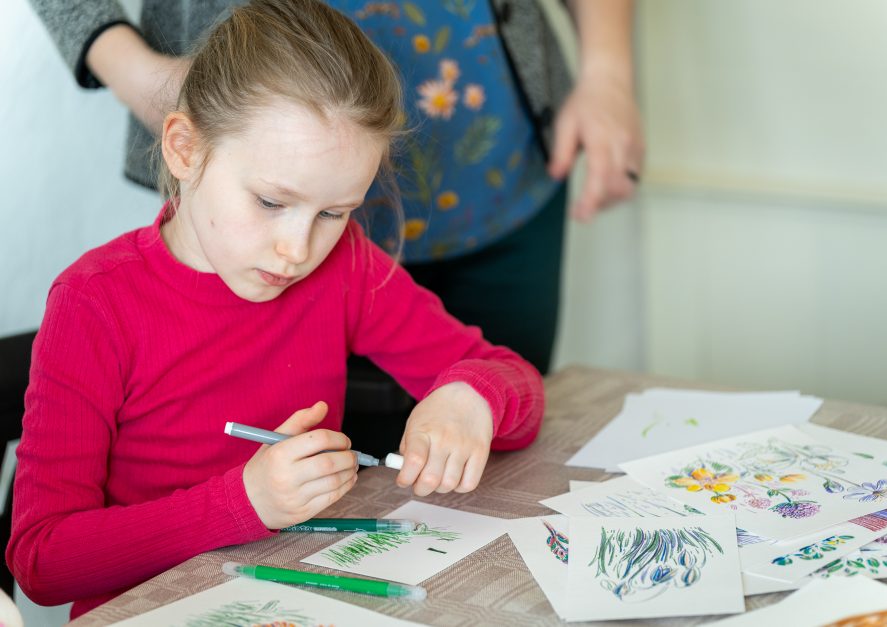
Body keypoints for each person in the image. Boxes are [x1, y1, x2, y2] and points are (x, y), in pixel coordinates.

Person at [7, 0, 544, 618]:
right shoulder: (95, 303)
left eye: (334, 213)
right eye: (269, 201)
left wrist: (471, 396)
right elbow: (43, 562)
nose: (297, 250)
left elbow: (516, 386)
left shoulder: (345, 265)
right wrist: (243, 502)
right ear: (184, 148)